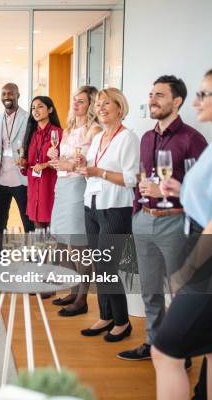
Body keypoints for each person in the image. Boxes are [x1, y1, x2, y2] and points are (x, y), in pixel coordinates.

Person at [153, 65, 212, 400]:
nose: (197, 101)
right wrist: (181, 189)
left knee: (165, 351)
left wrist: (188, 270)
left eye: (205, 94)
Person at [117, 76, 207, 362]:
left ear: (177, 101)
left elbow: (202, 188)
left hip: (176, 221)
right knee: (150, 289)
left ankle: (182, 351)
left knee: (180, 293)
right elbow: (142, 178)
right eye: (151, 94)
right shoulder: (146, 137)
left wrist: (167, 191)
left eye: (159, 95)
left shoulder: (193, 139)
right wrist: (137, 208)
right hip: (144, 218)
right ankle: (153, 345)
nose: (152, 100)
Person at [76, 87, 139, 343]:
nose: (100, 108)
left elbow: (131, 178)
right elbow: (92, 166)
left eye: (106, 104)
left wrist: (98, 172)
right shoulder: (100, 136)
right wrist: (82, 163)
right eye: (98, 104)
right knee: (97, 262)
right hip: (91, 206)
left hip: (115, 208)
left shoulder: (128, 138)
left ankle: (122, 322)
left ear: (119, 108)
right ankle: (106, 315)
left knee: (106, 266)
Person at [47, 86, 102, 316]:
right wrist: (56, 158)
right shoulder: (68, 129)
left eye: (81, 101)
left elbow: (92, 161)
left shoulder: (94, 129)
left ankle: (82, 298)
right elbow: (67, 158)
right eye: (74, 100)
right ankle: (73, 289)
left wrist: (72, 164)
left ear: (90, 105)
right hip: (62, 185)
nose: (75, 104)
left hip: (79, 186)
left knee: (78, 244)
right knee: (60, 240)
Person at [0, 83, 33, 263]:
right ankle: (0, 261)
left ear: (18, 95)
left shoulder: (28, 118)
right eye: (4, 93)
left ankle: (33, 261)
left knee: (28, 224)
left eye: (11, 93)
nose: (7, 96)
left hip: (22, 179)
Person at [19, 96, 62, 229]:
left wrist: (46, 164)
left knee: (53, 230)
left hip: (50, 187)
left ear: (50, 109)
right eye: (33, 108)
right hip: (34, 188)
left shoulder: (58, 133)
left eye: (40, 106)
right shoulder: (31, 134)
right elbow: (27, 167)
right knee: (38, 233)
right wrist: (23, 162)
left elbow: (63, 161)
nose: (35, 110)